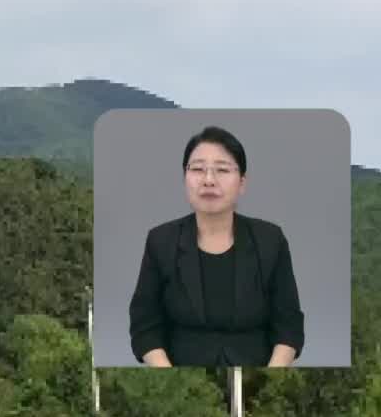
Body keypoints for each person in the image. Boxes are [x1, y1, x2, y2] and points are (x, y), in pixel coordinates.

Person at [127, 125, 304, 367]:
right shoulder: (161, 241)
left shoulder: (270, 240)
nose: (208, 180)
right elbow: (144, 325)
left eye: (222, 170)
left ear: (242, 182)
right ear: (184, 178)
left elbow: (289, 326)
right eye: (198, 169)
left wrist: (270, 379)